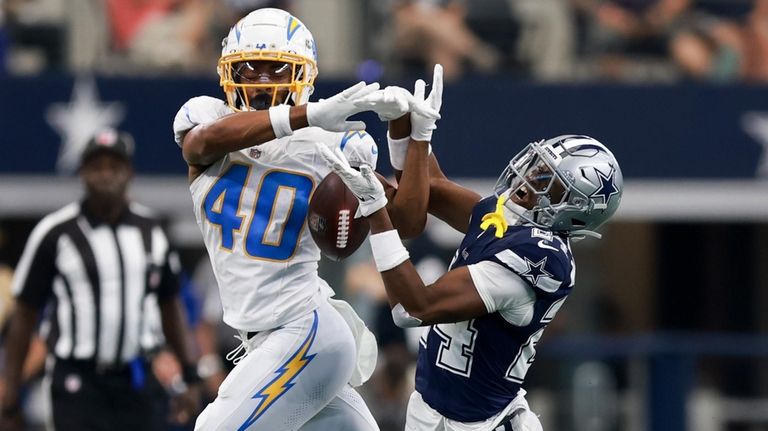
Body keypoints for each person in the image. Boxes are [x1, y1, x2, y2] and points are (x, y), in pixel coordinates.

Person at [171, 7, 439, 431]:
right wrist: (308, 115)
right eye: (249, 70)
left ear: (303, 74)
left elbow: (407, 220)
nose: (260, 82)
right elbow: (199, 146)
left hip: (305, 329)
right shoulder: (207, 117)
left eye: (276, 69)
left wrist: (412, 137)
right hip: (266, 341)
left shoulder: (332, 143)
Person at [320, 131, 624, 430]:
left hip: (482, 424)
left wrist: (375, 210)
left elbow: (413, 308)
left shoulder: (543, 259)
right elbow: (433, 190)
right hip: (431, 408)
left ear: (573, 212)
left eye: (550, 184)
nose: (531, 179)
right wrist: (410, 126)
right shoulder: (512, 220)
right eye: (539, 168)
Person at [0, 129, 201, 431]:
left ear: (129, 173)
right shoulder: (55, 233)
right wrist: (12, 387)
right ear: (82, 173)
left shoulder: (152, 232)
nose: (106, 175)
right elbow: (25, 313)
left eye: (114, 166)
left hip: (135, 377)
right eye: (97, 167)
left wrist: (189, 372)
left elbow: (169, 305)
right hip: (76, 381)